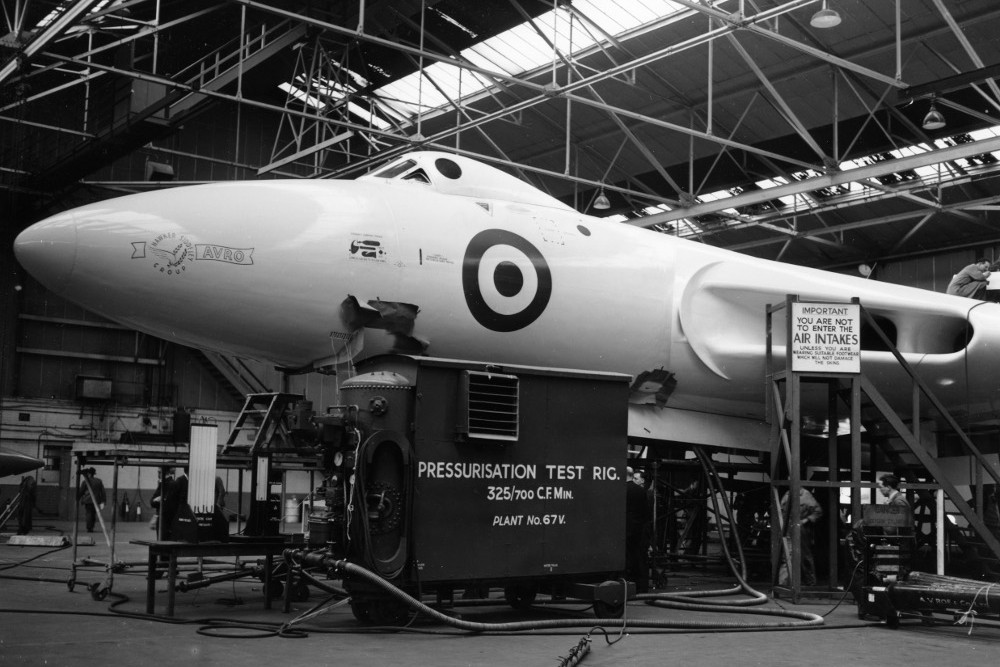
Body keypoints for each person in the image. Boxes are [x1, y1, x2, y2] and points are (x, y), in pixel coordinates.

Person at [778, 485, 823, 587]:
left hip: (801, 530)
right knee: (787, 555)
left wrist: (806, 520)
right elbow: (781, 511)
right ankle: (784, 584)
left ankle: (810, 583)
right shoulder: (787, 495)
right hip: (788, 528)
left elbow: (818, 511)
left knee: (804, 556)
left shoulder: (805, 495)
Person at [625, 470, 652, 593]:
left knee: (631, 558)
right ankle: (641, 587)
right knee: (640, 558)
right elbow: (646, 514)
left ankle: (630, 585)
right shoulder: (642, 492)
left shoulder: (623, 489)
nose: (636, 481)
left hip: (630, 529)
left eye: (637, 479)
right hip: (639, 529)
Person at [78, 468, 106, 533]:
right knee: (93, 514)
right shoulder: (99, 481)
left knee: (89, 513)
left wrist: (78, 498)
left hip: (88, 500)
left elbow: (81, 491)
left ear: (89, 474)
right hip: (96, 500)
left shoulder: (85, 481)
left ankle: (89, 527)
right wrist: (103, 501)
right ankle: (91, 526)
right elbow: (103, 492)